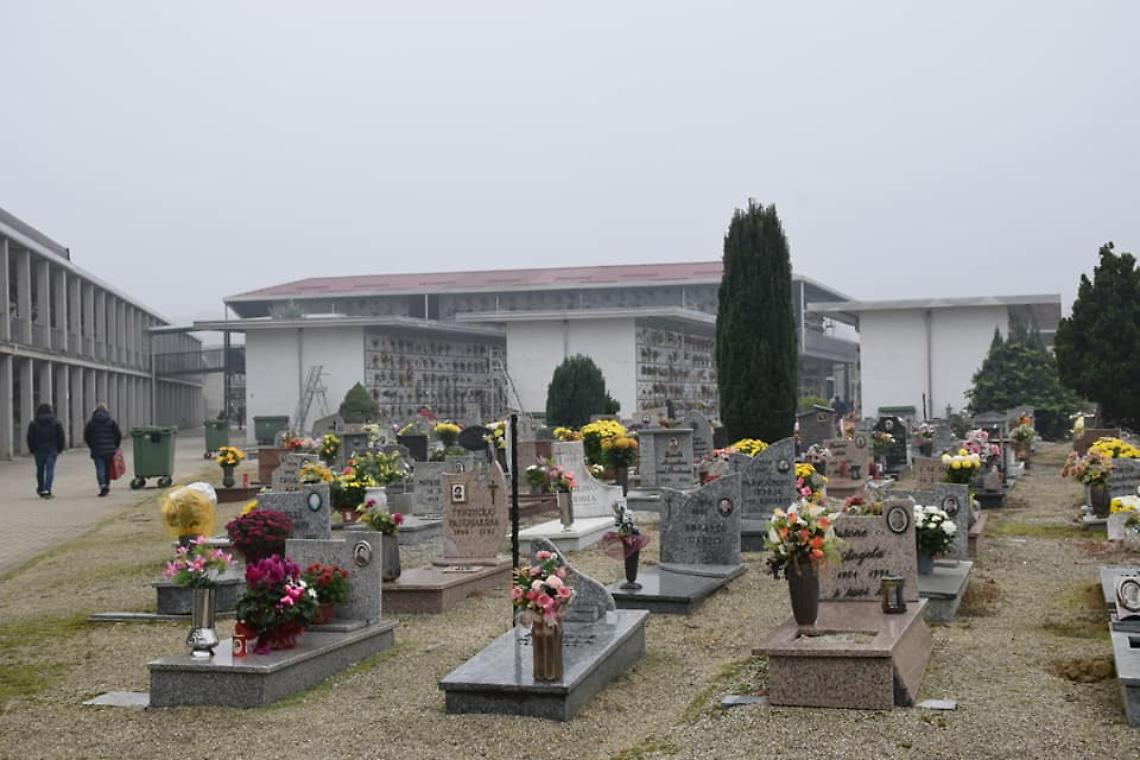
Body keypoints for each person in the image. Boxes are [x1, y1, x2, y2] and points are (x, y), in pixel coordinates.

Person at [26, 403, 65, 499]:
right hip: (52, 449)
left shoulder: (33, 423)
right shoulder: (56, 422)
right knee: (50, 470)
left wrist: (32, 449)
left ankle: (41, 487)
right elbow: (61, 436)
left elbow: (30, 437)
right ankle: (47, 489)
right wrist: (59, 448)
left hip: (38, 450)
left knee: (40, 470)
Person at [84, 404, 122, 497]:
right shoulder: (111, 422)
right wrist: (115, 446)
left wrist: (91, 446)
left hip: (97, 449)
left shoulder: (91, 423)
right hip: (110, 450)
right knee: (108, 468)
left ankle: (103, 485)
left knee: (100, 469)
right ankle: (107, 485)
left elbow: (87, 436)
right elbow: (118, 435)